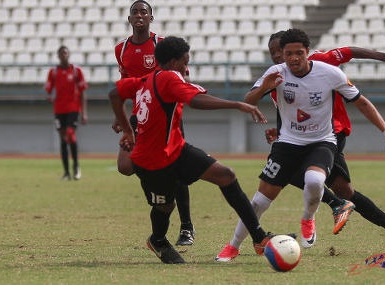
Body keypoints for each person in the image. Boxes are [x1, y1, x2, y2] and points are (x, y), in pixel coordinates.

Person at [216, 28, 385, 261]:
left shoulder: (326, 69)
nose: (284, 57)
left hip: (328, 136)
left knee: (314, 180)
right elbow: (255, 101)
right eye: (279, 53)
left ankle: (316, 214)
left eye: (295, 52)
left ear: (308, 52)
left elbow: (357, 82)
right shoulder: (276, 73)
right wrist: (268, 93)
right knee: (336, 190)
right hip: (289, 141)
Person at [108, 36, 274, 264]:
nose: (188, 67)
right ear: (175, 62)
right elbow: (196, 101)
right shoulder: (170, 78)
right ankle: (157, 240)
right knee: (165, 206)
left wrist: (128, 129)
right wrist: (236, 104)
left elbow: (114, 93)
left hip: (176, 150)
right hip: (151, 161)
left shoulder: (146, 79)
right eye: (185, 61)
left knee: (225, 175)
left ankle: (259, 237)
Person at [113, 0, 195, 246]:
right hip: (141, 116)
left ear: (151, 18)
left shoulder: (162, 45)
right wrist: (120, 116)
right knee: (125, 166)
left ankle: (186, 227)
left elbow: (181, 76)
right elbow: (124, 84)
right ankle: (158, 184)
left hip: (167, 116)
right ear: (129, 19)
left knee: (177, 170)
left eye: (144, 12)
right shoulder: (121, 48)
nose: (139, 15)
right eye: (135, 12)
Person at [45, 45, 88, 181]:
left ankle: (76, 166)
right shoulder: (53, 72)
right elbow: (49, 89)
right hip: (59, 110)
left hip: (73, 108)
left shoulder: (76, 71)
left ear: (69, 55)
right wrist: (50, 96)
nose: (64, 55)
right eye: (61, 53)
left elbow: (82, 93)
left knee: (70, 134)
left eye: (66, 53)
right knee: (63, 140)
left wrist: (84, 113)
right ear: (58, 55)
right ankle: (66, 173)